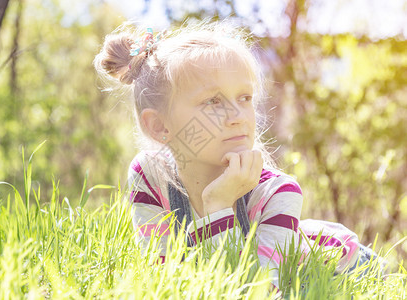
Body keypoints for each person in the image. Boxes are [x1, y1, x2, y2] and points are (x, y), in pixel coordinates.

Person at [93, 21, 368, 288]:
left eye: (245, 98)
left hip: (348, 268)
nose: (238, 116)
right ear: (159, 126)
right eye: (212, 101)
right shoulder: (149, 175)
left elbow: (258, 291)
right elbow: (163, 277)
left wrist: (219, 205)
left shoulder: (277, 193)